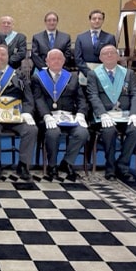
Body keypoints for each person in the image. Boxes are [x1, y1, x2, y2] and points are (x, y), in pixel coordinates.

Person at [0, 44, 37, 181]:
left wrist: (27, 112)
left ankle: (23, 165)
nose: (0, 57)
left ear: (8, 57)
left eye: (3, 55)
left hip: (16, 116)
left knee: (31, 129)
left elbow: (28, 97)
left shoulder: (19, 74)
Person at [87, 45, 136, 182]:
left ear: (118, 56)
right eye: (105, 54)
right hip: (104, 116)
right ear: (100, 58)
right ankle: (110, 167)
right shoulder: (93, 74)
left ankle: (122, 165)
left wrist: (135, 113)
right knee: (109, 131)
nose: (109, 55)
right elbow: (93, 96)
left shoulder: (128, 73)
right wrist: (102, 114)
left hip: (124, 115)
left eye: (112, 53)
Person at [32, 49, 89, 181]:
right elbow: (38, 99)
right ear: (47, 61)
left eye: (59, 59)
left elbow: (81, 99)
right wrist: (46, 115)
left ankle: (67, 162)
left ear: (64, 61)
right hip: (48, 117)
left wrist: (81, 114)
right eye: (53, 59)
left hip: (69, 117)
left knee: (82, 132)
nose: (56, 61)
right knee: (53, 133)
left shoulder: (72, 77)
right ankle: (52, 165)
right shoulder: (38, 78)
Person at [75, 9, 117, 84]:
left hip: (104, 74)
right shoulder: (80, 38)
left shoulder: (110, 37)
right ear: (90, 20)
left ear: (103, 21)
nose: (97, 21)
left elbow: (112, 57)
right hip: (85, 74)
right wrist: (88, 72)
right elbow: (78, 58)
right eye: (94, 19)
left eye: (99, 19)